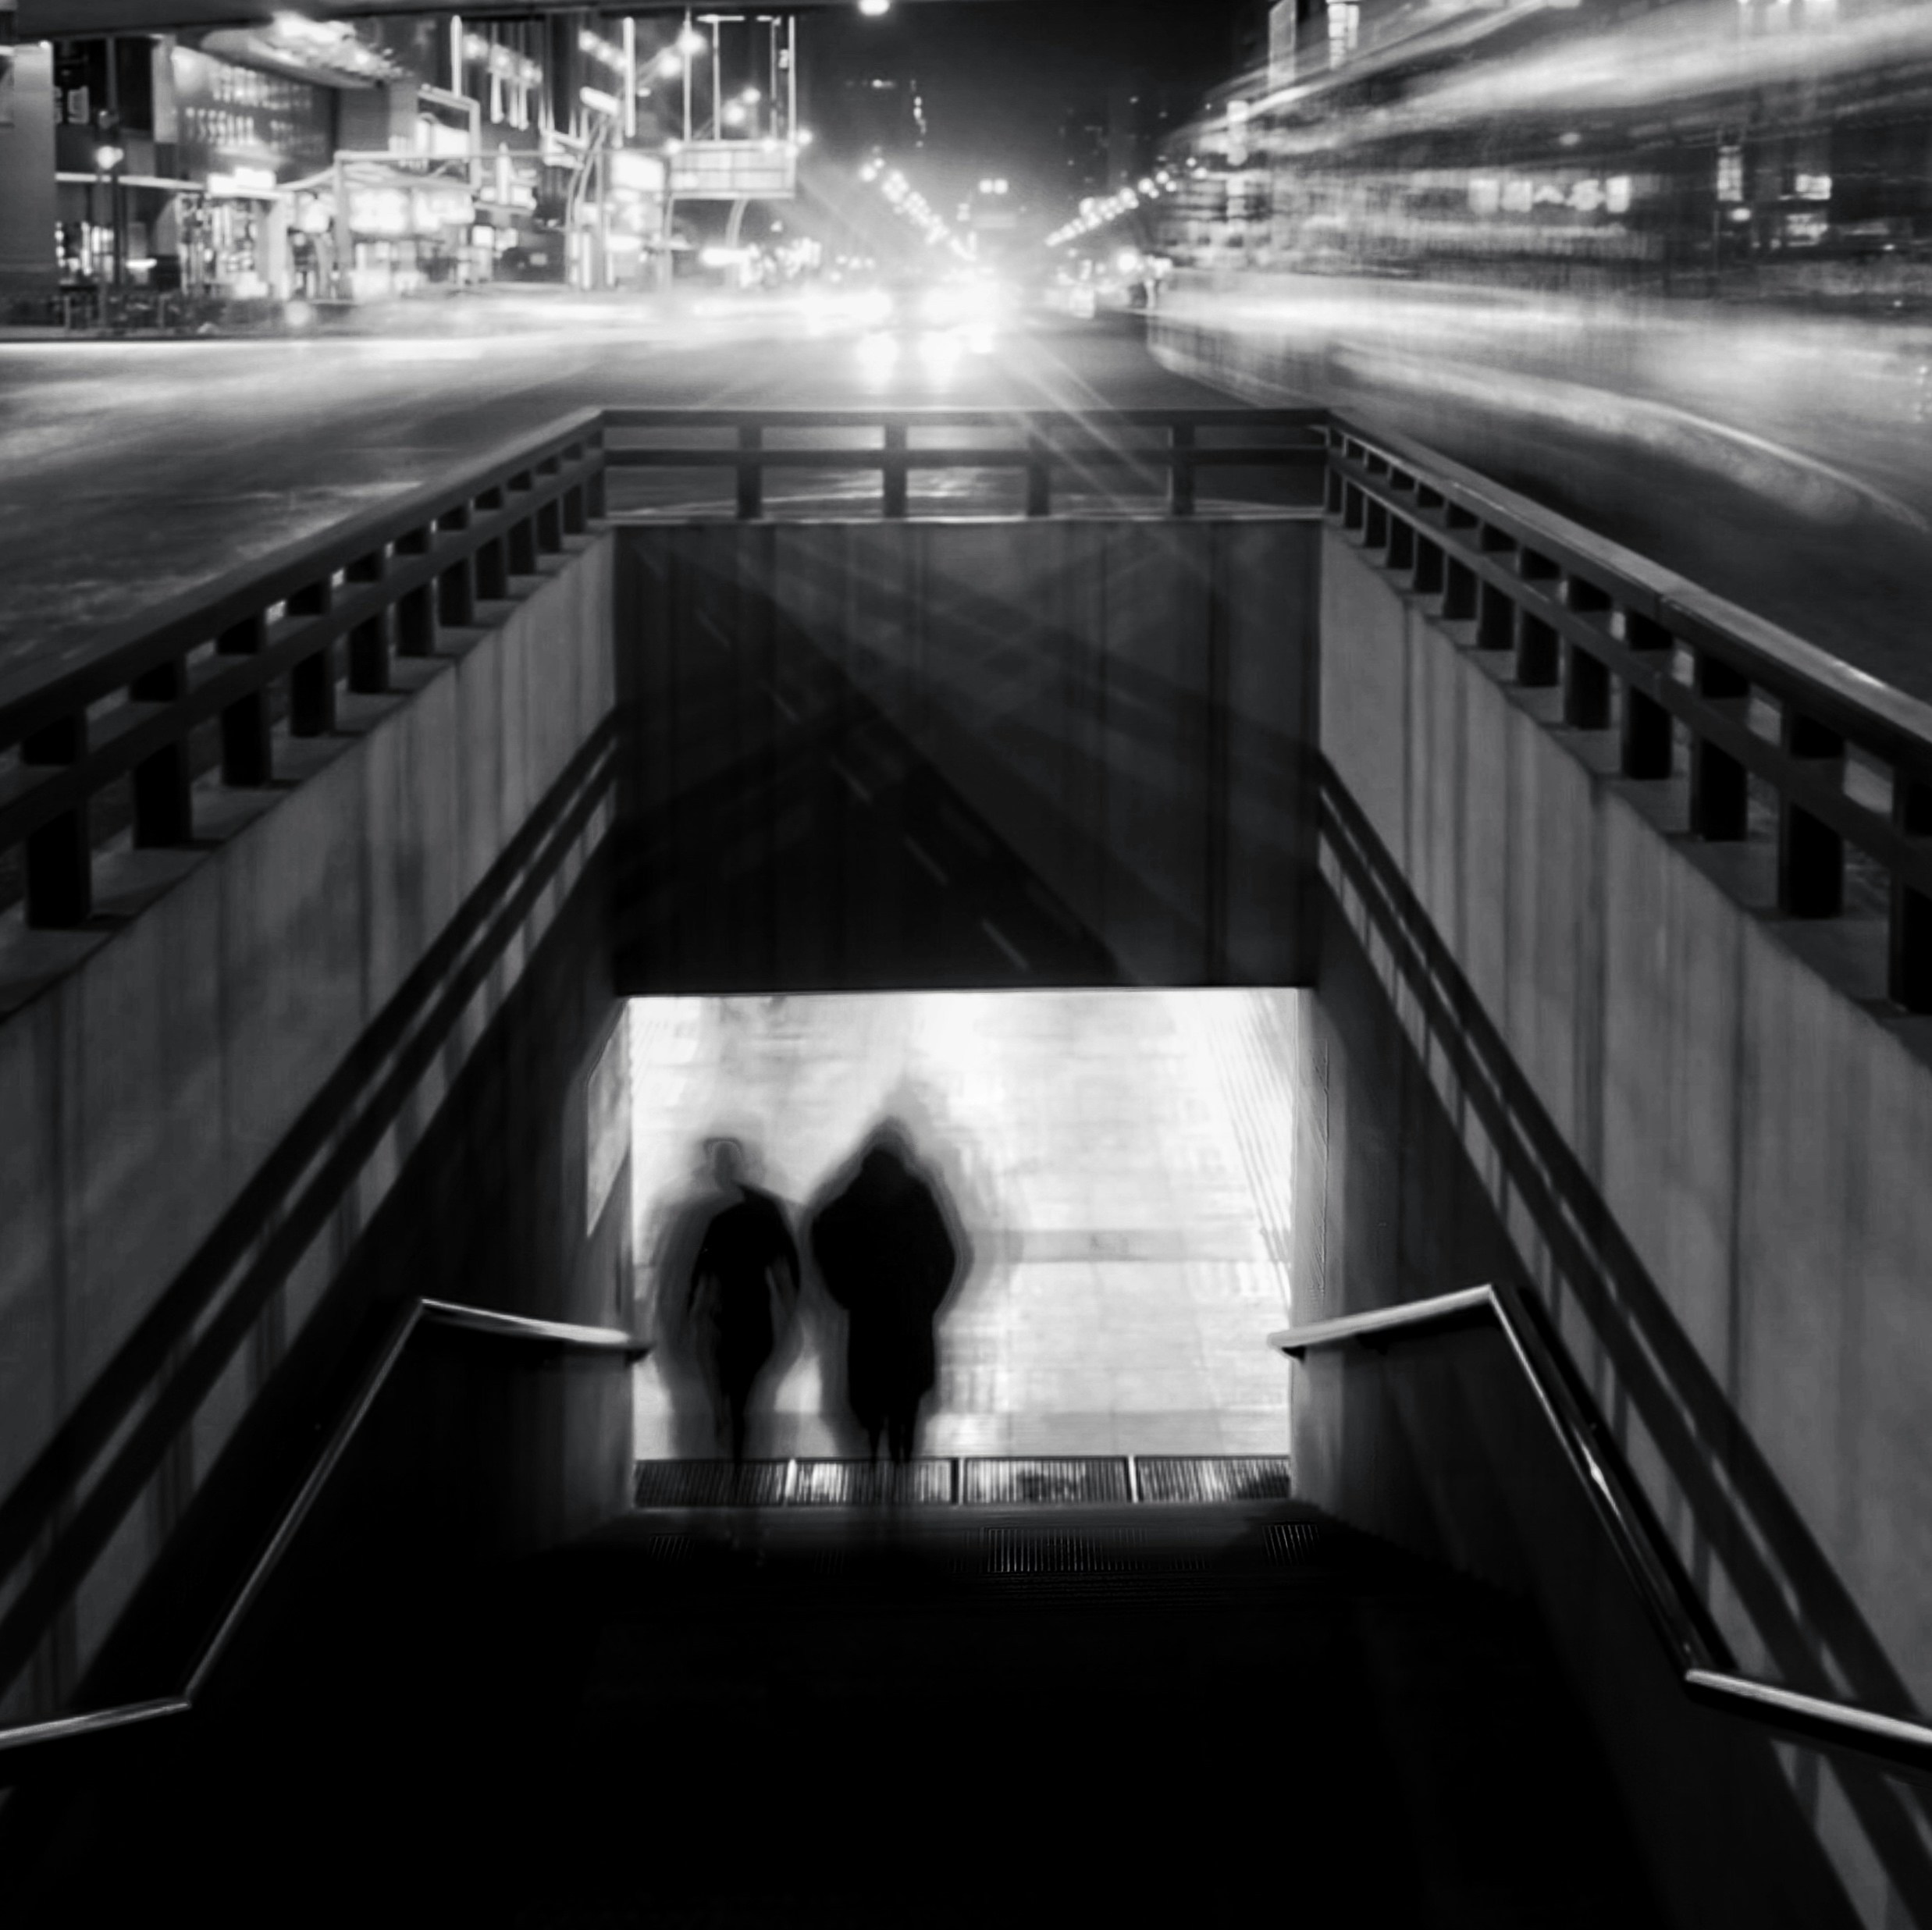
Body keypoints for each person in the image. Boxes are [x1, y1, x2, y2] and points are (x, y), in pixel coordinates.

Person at [808, 1124, 960, 1466]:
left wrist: (842, 1292)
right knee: (906, 1399)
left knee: (871, 1394)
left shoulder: (854, 1195)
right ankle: (902, 1459)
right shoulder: (917, 1195)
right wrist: (930, 1299)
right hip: (909, 1314)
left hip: (869, 1314)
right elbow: (947, 1254)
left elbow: (822, 1231)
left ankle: (873, 1460)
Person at [687, 1139, 800, 1466]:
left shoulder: (711, 1213)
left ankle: (729, 1432)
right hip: (754, 1308)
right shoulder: (766, 1208)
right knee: (744, 1387)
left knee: (727, 1383)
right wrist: (791, 1312)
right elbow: (784, 1265)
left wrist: (693, 1312)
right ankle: (738, 1442)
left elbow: (703, 1271)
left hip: (724, 1311)